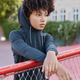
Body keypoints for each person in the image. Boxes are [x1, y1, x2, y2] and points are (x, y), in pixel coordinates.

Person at [9, 0, 73, 80]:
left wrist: (51, 54)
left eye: (46, 15)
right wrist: (57, 66)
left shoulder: (46, 37)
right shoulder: (16, 35)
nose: (43, 19)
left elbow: (51, 46)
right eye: (38, 14)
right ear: (27, 15)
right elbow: (26, 50)